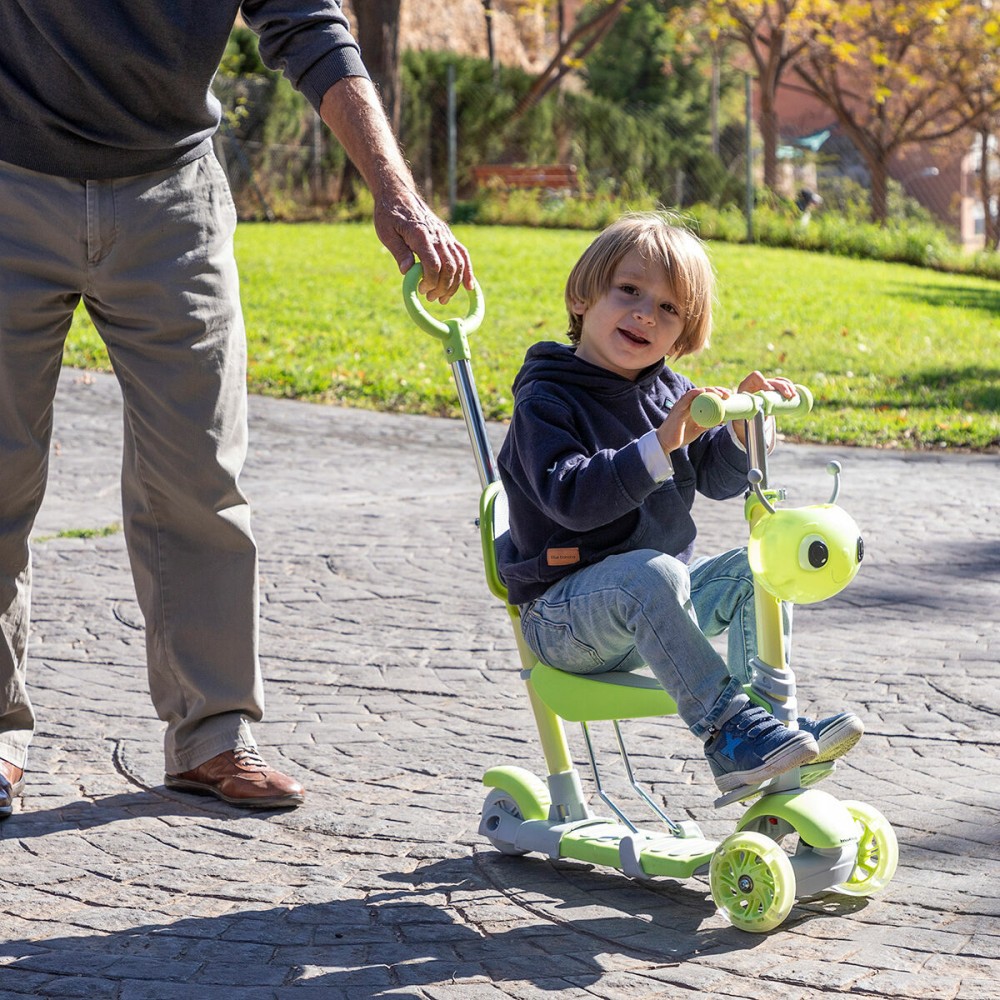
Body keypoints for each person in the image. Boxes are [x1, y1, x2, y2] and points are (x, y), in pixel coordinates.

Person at [0, 2, 474, 818]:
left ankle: (211, 734)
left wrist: (393, 190)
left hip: (170, 193)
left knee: (198, 473)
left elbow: (309, 24)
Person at [497, 213, 861, 794]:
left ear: (684, 331)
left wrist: (744, 432)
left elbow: (717, 478)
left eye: (669, 309)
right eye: (630, 291)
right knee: (653, 573)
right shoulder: (547, 399)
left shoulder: (669, 391)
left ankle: (771, 725)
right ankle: (729, 731)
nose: (646, 314)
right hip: (563, 617)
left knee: (758, 566)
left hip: (653, 600)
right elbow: (572, 498)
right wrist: (661, 442)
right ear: (582, 295)